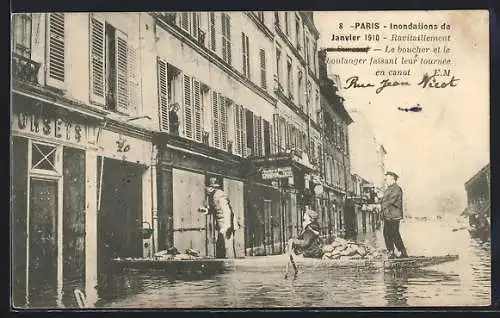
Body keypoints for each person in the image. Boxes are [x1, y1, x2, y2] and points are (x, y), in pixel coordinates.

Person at [199, 177, 236, 258]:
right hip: (220, 221)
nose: (205, 190)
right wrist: (205, 210)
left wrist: (226, 226)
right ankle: (221, 259)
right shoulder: (212, 196)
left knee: (225, 242)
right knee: (220, 241)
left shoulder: (219, 195)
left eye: (206, 188)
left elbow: (227, 211)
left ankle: (226, 260)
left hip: (225, 221)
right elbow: (214, 209)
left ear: (211, 188)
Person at [381, 171, 408, 259]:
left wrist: (379, 204)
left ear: (392, 179)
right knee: (386, 233)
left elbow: (390, 201)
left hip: (394, 215)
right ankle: (391, 252)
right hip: (388, 215)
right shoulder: (389, 189)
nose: (386, 181)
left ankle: (402, 252)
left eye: (387, 179)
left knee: (394, 233)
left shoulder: (396, 189)